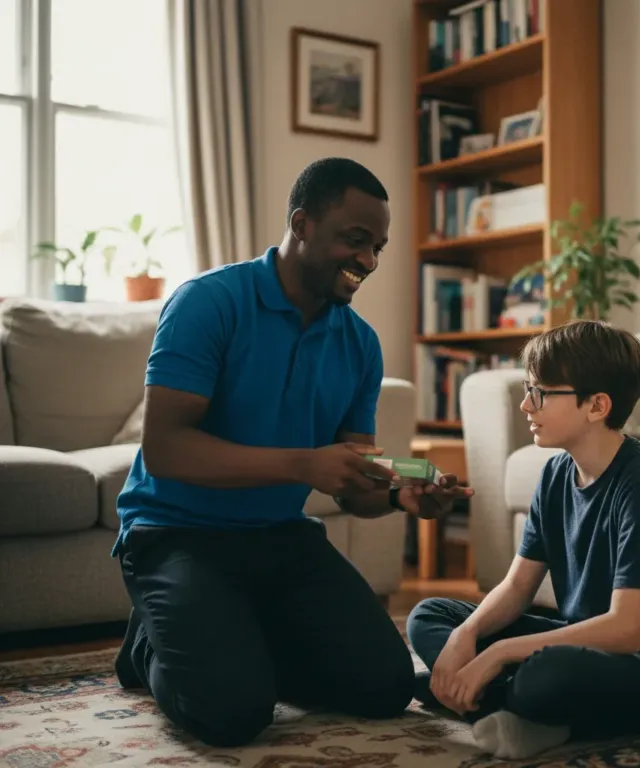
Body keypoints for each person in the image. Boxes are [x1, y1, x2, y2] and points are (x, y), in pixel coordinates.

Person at [112, 157, 473, 748]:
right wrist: (301, 464)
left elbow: (354, 486)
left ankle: (230, 635)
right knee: (231, 714)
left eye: (378, 247)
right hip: (176, 534)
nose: (369, 261)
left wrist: (399, 495)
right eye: (355, 240)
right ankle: (149, 644)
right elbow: (166, 448)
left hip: (279, 537)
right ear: (302, 224)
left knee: (384, 687)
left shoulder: (359, 344)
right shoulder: (208, 303)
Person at [407, 320, 640, 760]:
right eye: (526, 388)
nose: (525, 404)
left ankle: (497, 700)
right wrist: (467, 635)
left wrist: (497, 654)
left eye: (539, 392)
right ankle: (516, 708)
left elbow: (627, 631)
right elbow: (518, 587)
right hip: (585, 644)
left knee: (548, 674)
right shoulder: (556, 474)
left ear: (596, 406)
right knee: (432, 614)